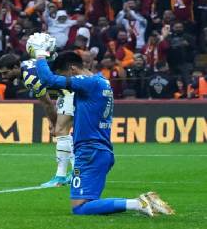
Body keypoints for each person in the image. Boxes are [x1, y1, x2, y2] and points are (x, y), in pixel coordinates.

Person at [26, 39, 174, 217]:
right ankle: (141, 203)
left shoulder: (87, 83)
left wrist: (40, 55)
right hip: (100, 150)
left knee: (80, 207)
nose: (64, 81)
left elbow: (49, 80)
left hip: (89, 151)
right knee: (90, 202)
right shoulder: (101, 81)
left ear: (72, 70)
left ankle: (138, 203)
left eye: (64, 75)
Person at [0, 51, 74, 187]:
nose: (3, 77)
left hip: (70, 93)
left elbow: (47, 103)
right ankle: (70, 174)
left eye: (6, 73)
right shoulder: (27, 64)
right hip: (65, 92)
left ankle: (65, 176)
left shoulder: (30, 77)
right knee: (64, 133)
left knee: (61, 132)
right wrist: (51, 121)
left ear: (16, 67)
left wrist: (54, 123)